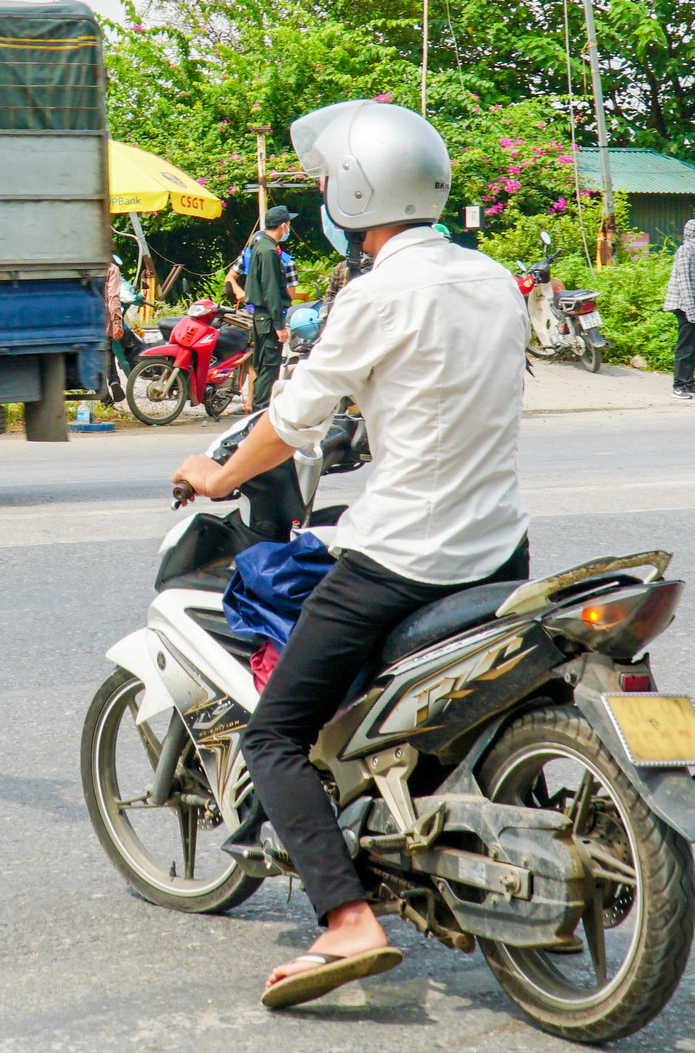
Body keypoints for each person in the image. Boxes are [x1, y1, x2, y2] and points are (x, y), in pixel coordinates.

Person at [171, 100, 531, 1011]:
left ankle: (346, 918)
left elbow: (292, 422)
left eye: (331, 182)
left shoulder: (374, 294)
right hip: (500, 553)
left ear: (360, 191)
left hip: (398, 560)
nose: (326, 196)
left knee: (276, 734)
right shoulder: (494, 280)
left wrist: (217, 478)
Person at [243, 206, 299, 409]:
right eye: (288, 225)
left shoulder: (261, 246)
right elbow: (271, 290)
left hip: (261, 317)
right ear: (283, 226)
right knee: (269, 367)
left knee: (262, 364)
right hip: (267, 317)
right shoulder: (268, 251)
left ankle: (259, 410)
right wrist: (279, 325)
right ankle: (260, 414)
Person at [663, 216, 695, 399]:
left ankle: (689, 383)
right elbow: (684, 283)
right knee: (685, 347)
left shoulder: (694, 252)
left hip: (692, 306)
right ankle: (679, 385)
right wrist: (692, 311)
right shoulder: (685, 252)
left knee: (692, 346)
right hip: (684, 306)